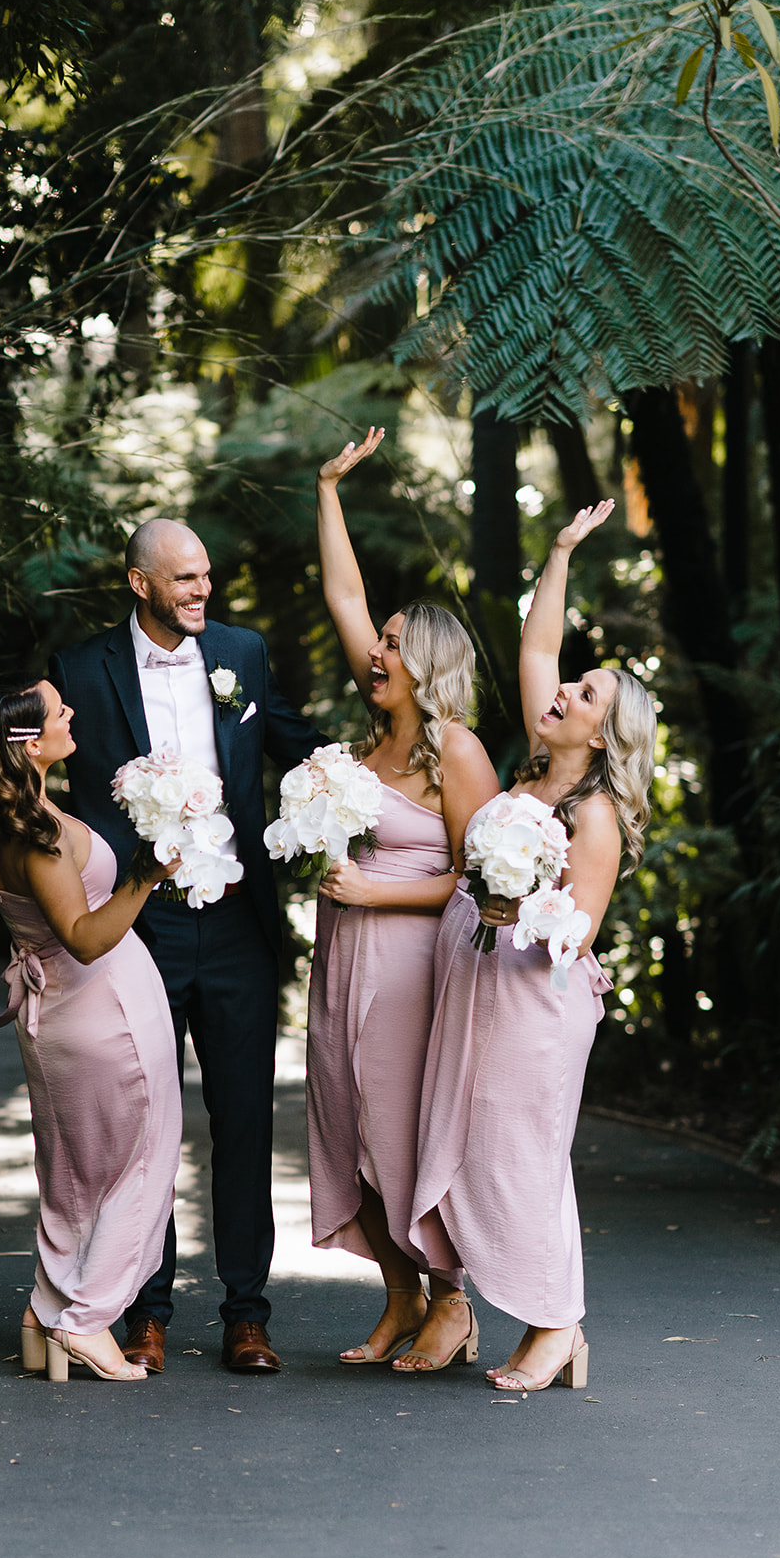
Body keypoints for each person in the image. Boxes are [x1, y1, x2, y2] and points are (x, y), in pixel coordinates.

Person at [0, 519, 328, 1373]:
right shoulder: (77, 670)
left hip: (234, 926)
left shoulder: (242, 653)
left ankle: (246, 1313)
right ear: (140, 583)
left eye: (206, 576)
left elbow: (297, 741)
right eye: (183, 579)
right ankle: (141, 1310)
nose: (201, 591)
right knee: (143, 1126)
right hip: (128, 933)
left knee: (243, 1118)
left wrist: (390, 783)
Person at [401, 498, 656, 1389]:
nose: (562, 692)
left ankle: (556, 1324)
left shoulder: (594, 817)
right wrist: (556, 552)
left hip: (533, 1000)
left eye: (586, 696)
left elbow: (577, 926)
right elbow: (534, 652)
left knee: (520, 1155)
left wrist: (515, 909)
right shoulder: (530, 775)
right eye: (572, 683)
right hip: (475, 980)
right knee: (458, 1140)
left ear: (605, 733)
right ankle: (463, 1301)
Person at [306, 428, 498, 1368]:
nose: (373, 648)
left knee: (400, 1131)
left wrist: (375, 894)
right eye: (377, 640)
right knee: (347, 1124)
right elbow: (343, 590)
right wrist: (328, 488)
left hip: (412, 966)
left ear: (425, 664)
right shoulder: (370, 734)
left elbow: (480, 878)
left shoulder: (453, 751)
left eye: (389, 643)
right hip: (339, 955)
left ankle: (452, 1303)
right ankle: (395, 1298)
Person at [0, 673, 182, 1383]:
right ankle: (86, 1321)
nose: (70, 713)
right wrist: (145, 874)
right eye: (57, 711)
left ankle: (44, 1313)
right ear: (27, 740)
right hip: (101, 1009)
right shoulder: (40, 834)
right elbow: (81, 936)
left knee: (72, 1175)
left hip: (58, 1018)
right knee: (138, 1166)